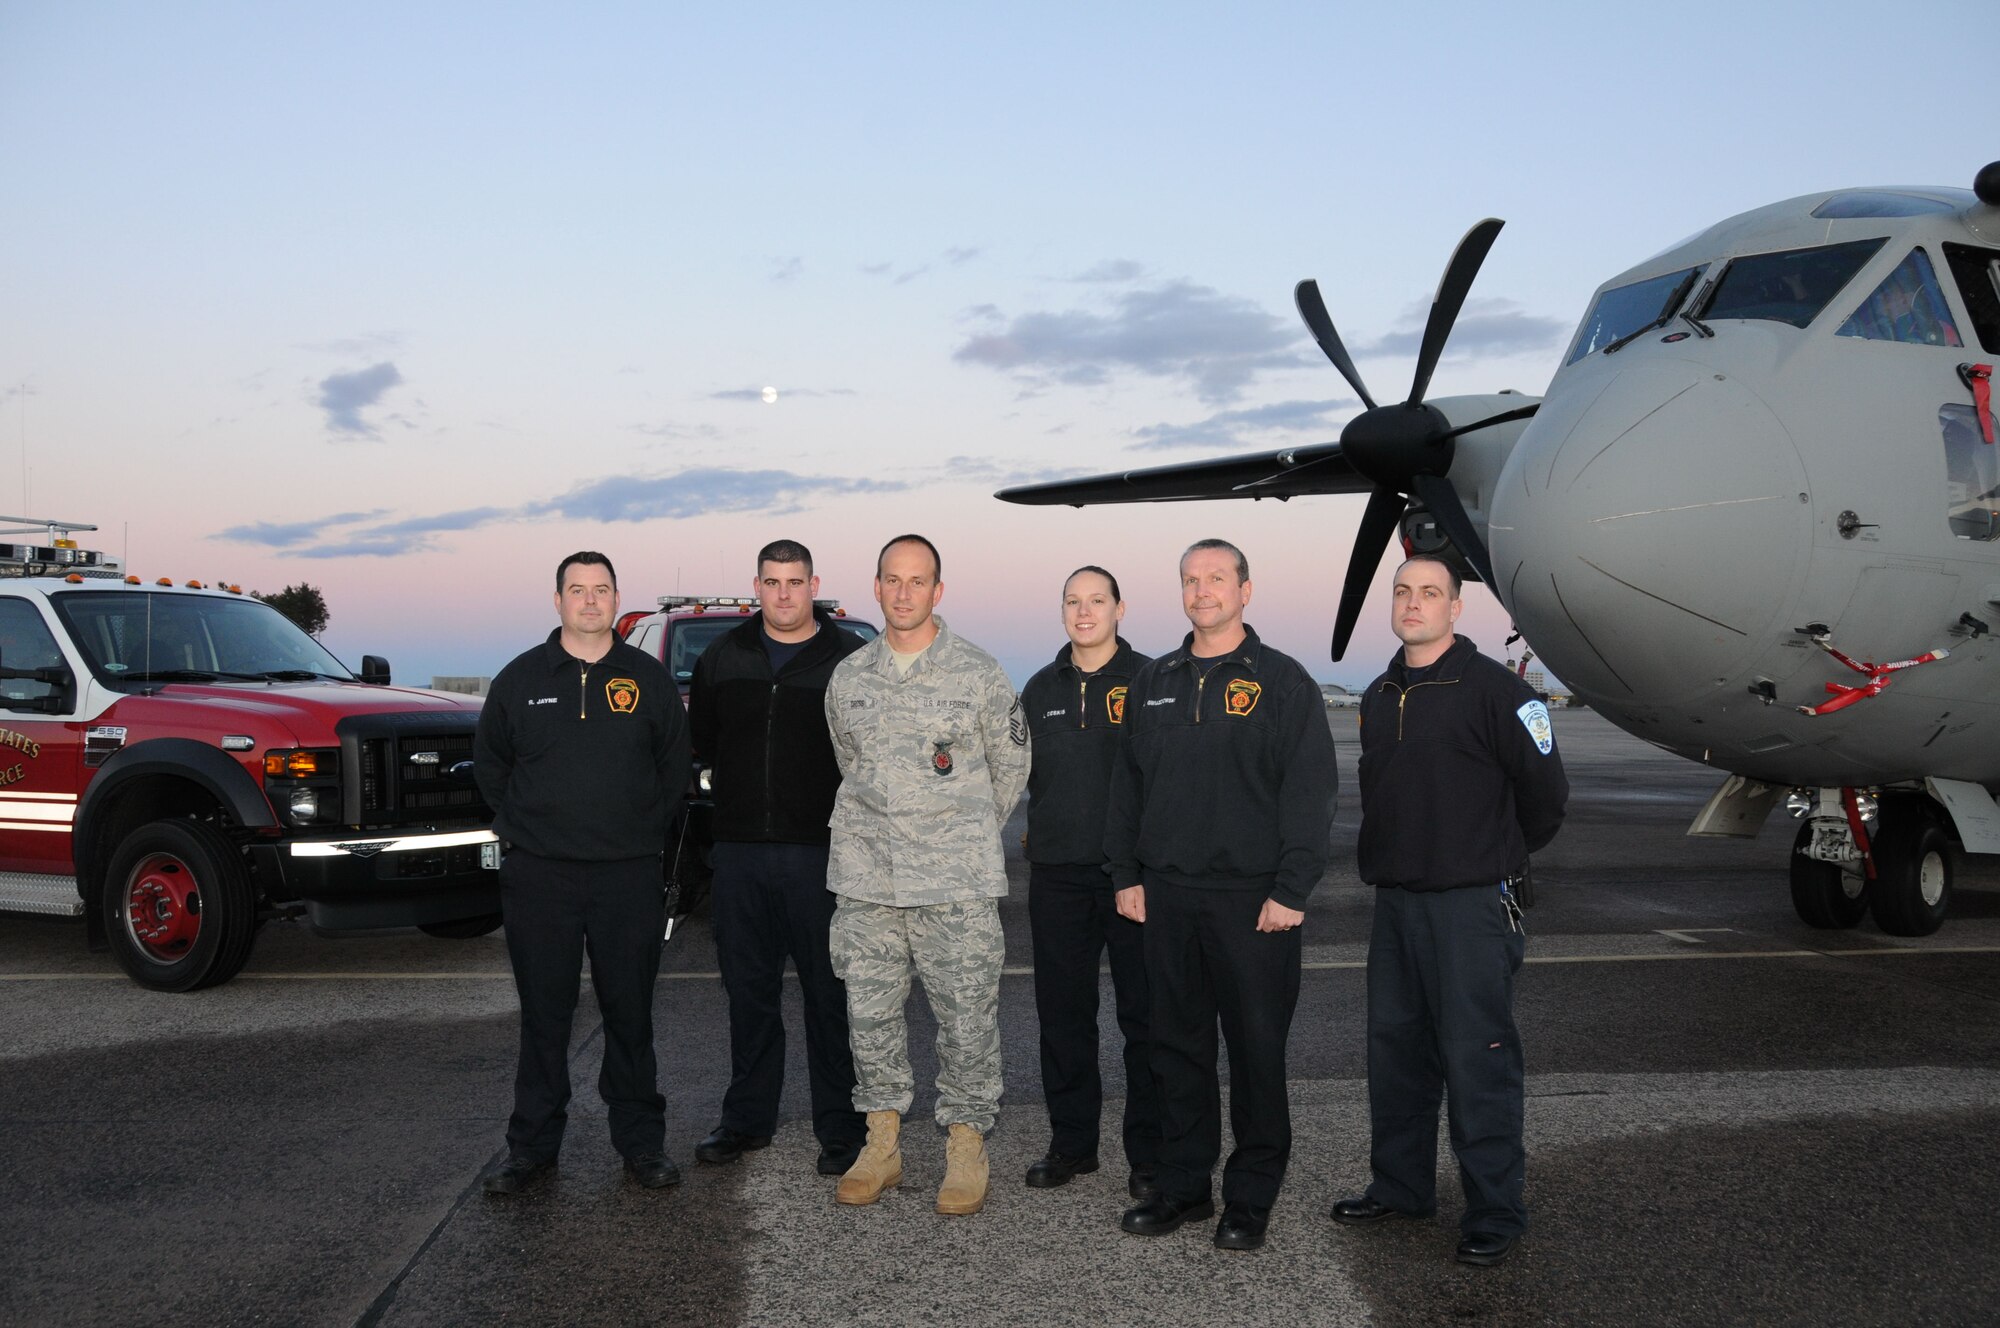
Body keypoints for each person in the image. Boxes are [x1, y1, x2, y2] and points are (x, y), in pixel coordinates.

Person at [1330, 555, 1568, 1267]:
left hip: (1472, 908)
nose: (1413, 603)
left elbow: (1546, 800)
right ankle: (1401, 1187)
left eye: (1429, 593)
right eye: (1403, 592)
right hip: (1397, 905)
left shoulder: (1499, 694)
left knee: (1478, 1059)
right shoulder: (1379, 694)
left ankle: (1496, 1210)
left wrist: (1487, 856)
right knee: (1396, 1055)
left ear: (1456, 608)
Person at [1108, 539, 1338, 1251]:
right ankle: (1184, 1186)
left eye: (1216, 578)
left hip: (1253, 903)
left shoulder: (1282, 683)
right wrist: (1127, 875)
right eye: (1190, 580)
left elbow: (1311, 793)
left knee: (1257, 1052)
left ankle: (1251, 1196)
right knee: (1174, 1049)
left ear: (1245, 589)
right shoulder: (1153, 681)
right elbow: (1128, 789)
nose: (1202, 591)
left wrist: (1291, 889)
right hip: (1167, 898)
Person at [822, 534, 1030, 1216]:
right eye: (892, 579)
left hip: (955, 885)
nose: (904, 592)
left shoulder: (977, 672)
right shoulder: (850, 677)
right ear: (876, 588)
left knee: (967, 1019)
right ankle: (882, 1144)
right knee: (870, 1015)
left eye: (918, 581)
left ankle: (965, 1147)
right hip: (867, 882)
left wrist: (957, 833)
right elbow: (849, 762)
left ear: (938, 591)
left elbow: (1010, 769)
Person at [472, 551, 690, 1195]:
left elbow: (673, 771)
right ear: (558, 600)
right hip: (542, 879)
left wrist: (636, 834)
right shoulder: (521, 679)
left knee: (631, 1014)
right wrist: (529, 830)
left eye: (601, 590)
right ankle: (531, 1148)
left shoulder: (645, 679)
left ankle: (642, 1145)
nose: (590, 601)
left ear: (617, 598)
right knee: (545, 1016)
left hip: (626, 878)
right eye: (578, 590)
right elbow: (491, 767)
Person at [687, 539, 868, 1177]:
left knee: (828, 995)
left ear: (813, 583)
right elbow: (702, 745)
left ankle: (842, 1131)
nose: (784, 594)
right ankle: (746, 1122)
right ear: (756, 586)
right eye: (772, 582)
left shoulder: (850, 657)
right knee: (749, 995)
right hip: (738, 855)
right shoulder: (722, 655)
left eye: (795, 582)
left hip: (819, 857)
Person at [1019, 566, 1161, 1197]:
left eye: (1096, 601)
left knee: (1146, 1020)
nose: (1084, 612)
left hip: (1131, 879)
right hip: (1056, 879)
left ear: (1119, 609)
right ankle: (1072, 1145)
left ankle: (1149, 1155)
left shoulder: (1152, 681)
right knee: (1063, 1018)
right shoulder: (1038, 687)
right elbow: (1016, 774)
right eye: (1072, 601)